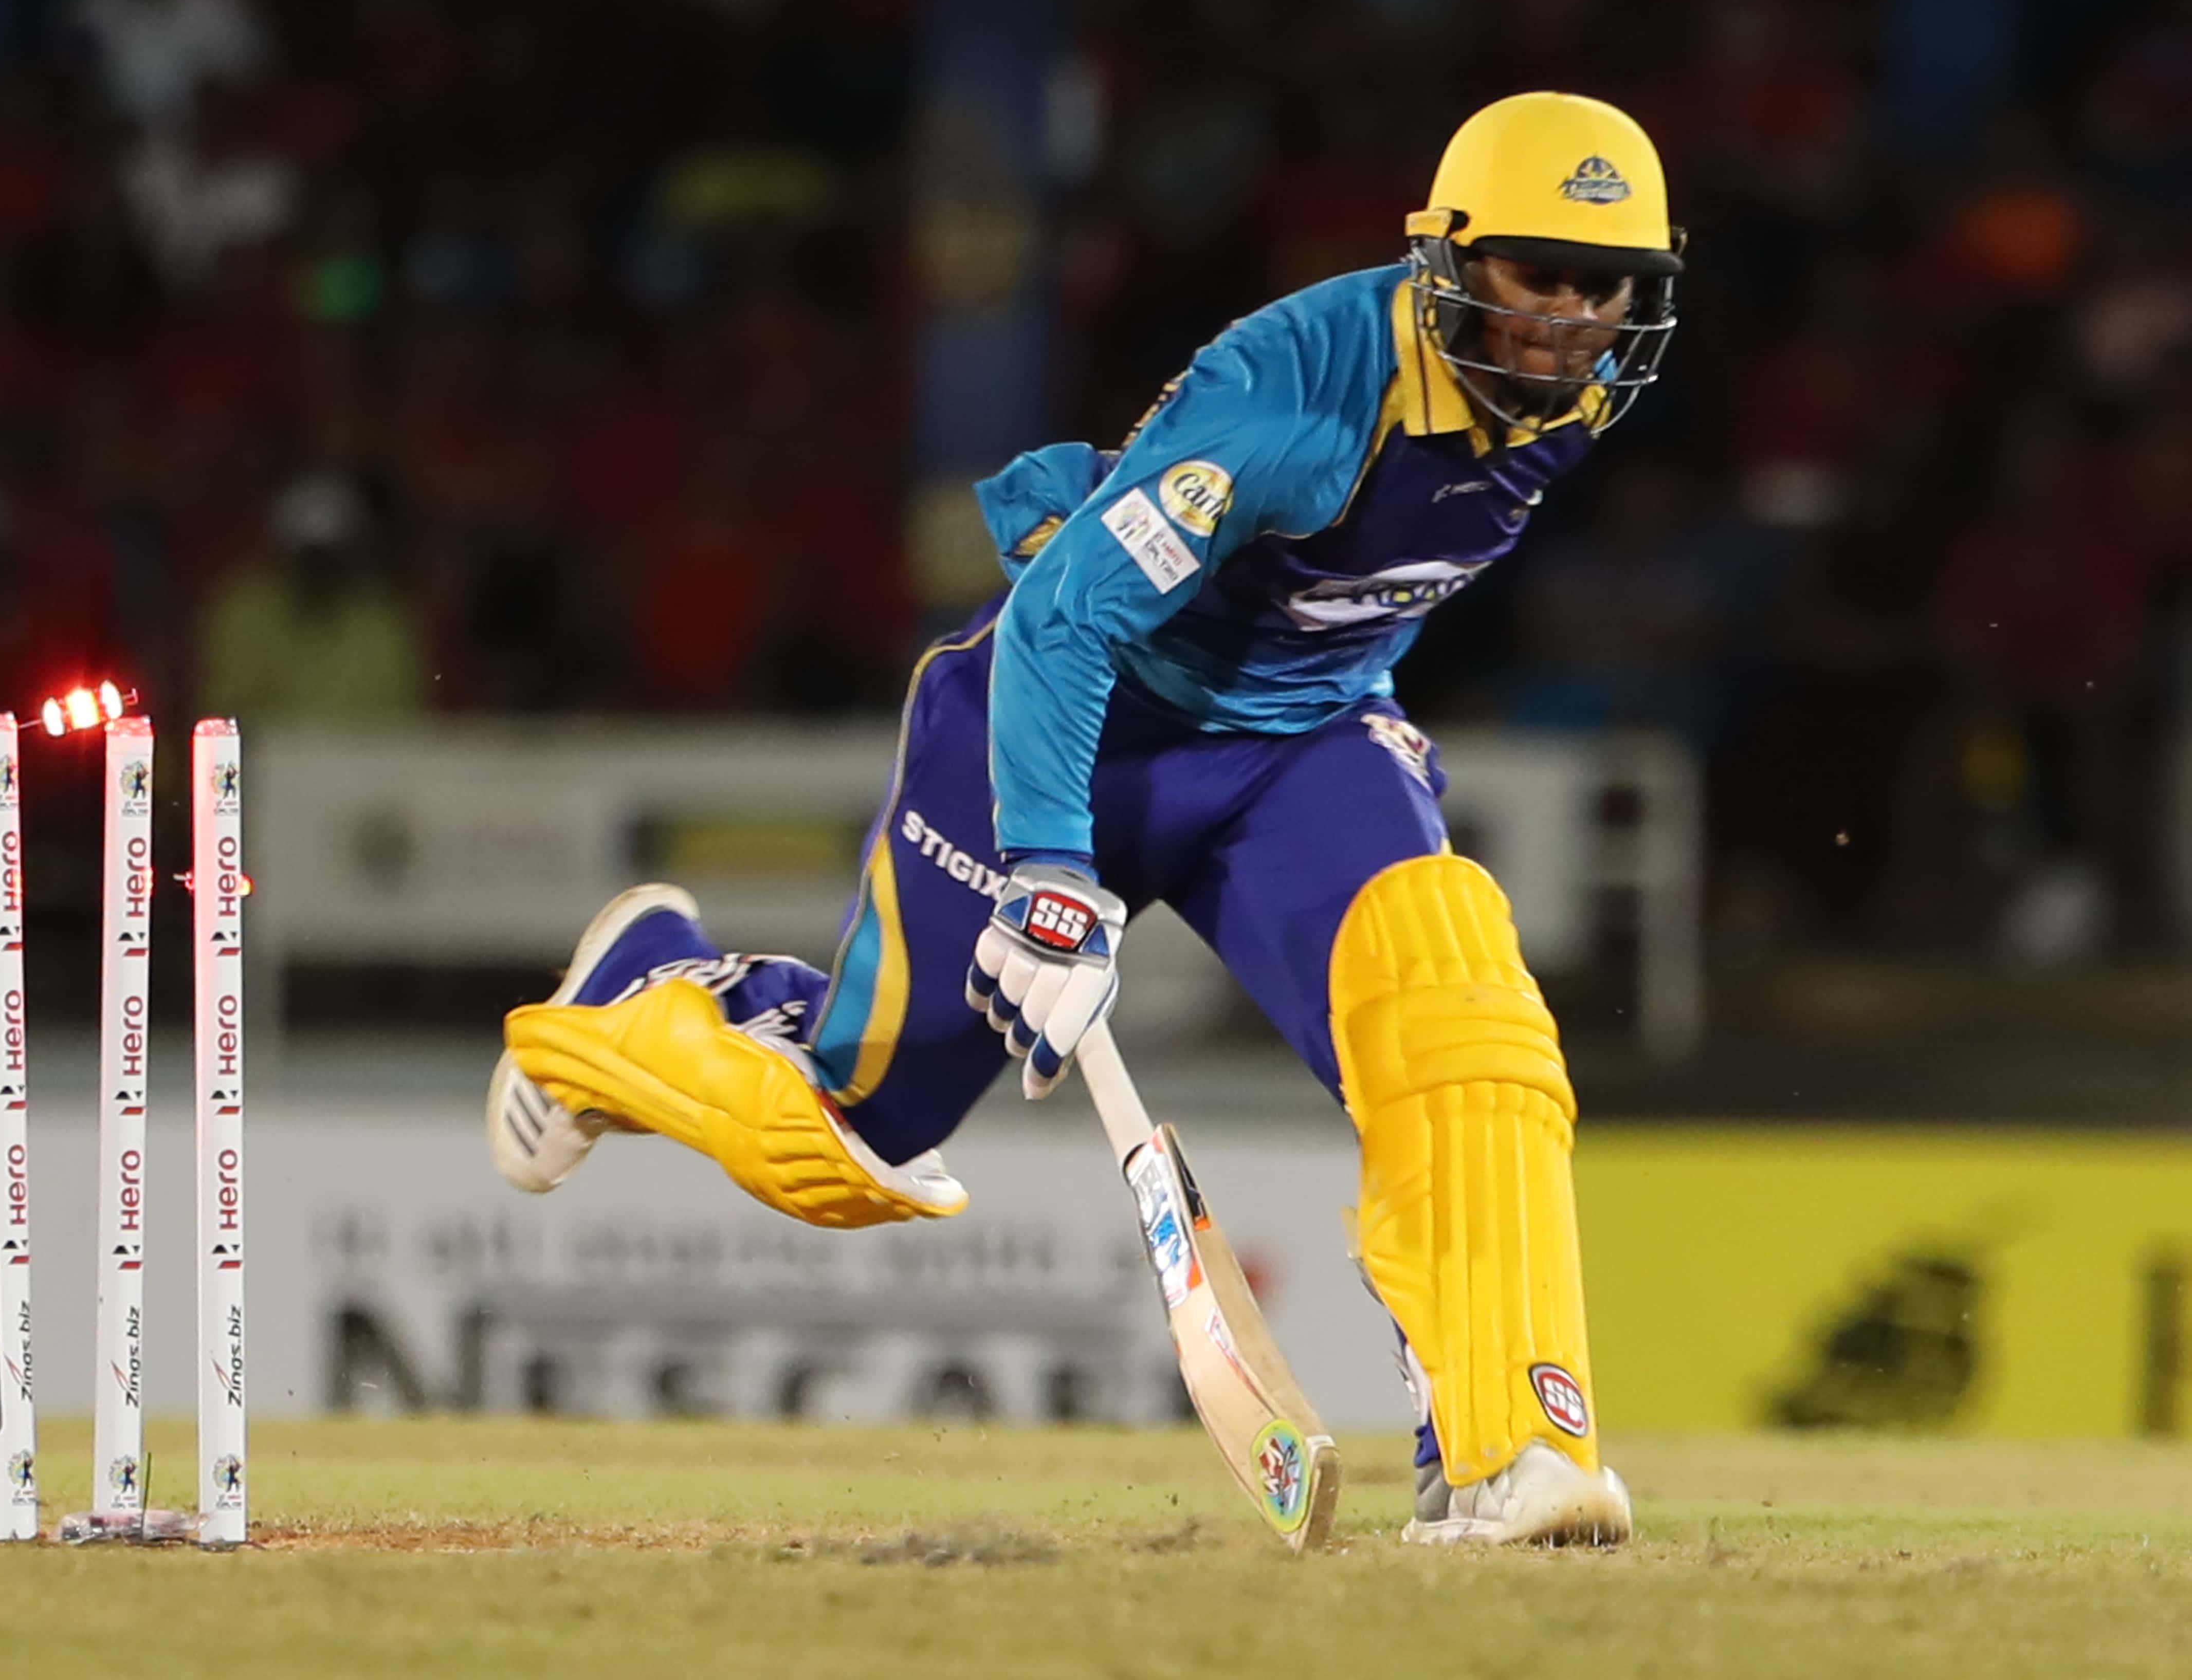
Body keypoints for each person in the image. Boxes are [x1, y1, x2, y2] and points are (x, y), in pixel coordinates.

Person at [488, 93, 1684, 1547]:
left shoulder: (1573, 399)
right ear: (1444, 259)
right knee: (850, 1147)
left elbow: (1347, 589)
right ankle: (634, 1002)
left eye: (1600, 288)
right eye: (1531, 279)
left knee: (1462, 1021)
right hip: (1072, 724)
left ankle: (1509, 1453)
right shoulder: (1297, 405)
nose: (1564, 321)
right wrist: (1052, 875)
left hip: (1297, 746)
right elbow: (1064, 627)